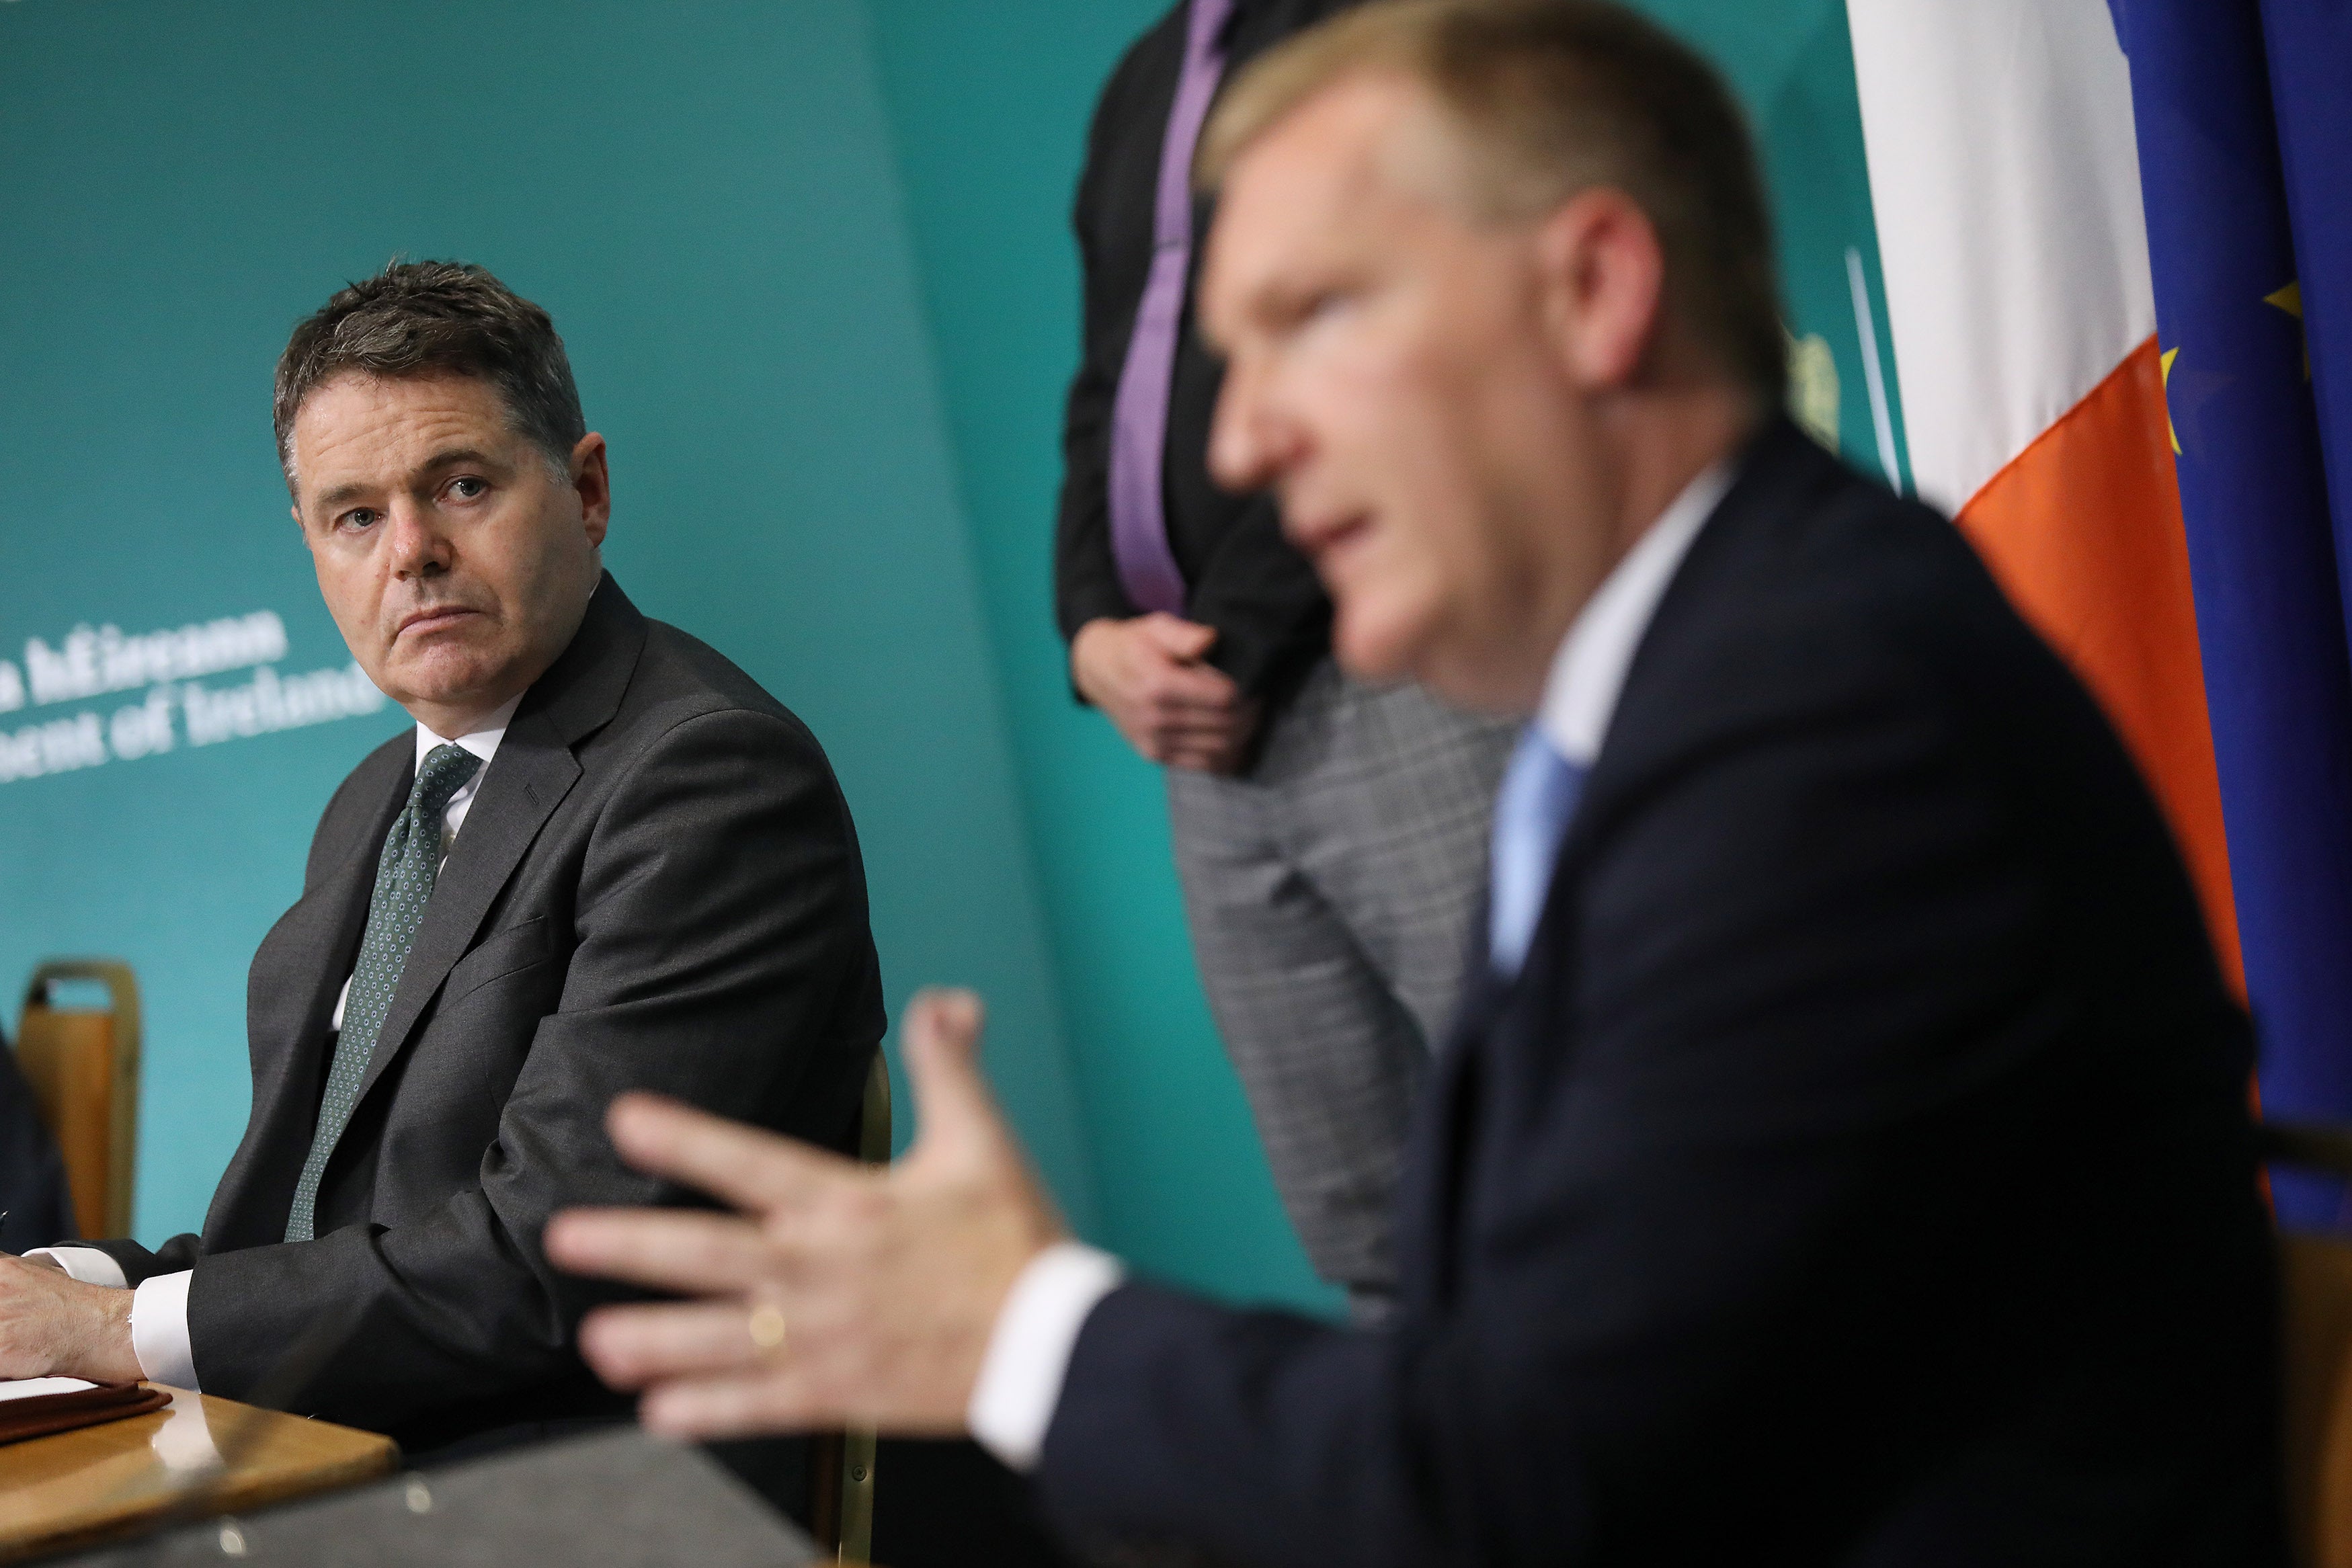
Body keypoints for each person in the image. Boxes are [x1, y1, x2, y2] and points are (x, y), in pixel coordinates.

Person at [546, 3, 2283, 1563]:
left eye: (1313, 314)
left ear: (1591, 289)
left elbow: (1522, 1490)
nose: (1238, 438)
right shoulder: (1683, 707)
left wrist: (1018, 1325)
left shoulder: (1825, 726)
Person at [0, 261, 885, 1467]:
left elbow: (549, 1261)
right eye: (355, 515)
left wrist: (110, 1328)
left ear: (587, 490)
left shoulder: (710, 781)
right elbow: (320, 1242)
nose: (410, 552)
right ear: (310, 545)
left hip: (594, 1492)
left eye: (461, 485)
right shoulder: (379, 798)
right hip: (368, 1459)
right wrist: (59, 1285)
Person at [1061, 0, 1514, 1315]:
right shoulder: (1142, 81)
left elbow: (1377, 344)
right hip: (1198, 736)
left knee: (1549, 1172)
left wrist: (1231, 639)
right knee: (1365, 1231)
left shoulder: (1382, 24)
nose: (1253, 432)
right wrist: (1089, 629)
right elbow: (1107, 384)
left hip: (1387, 682)